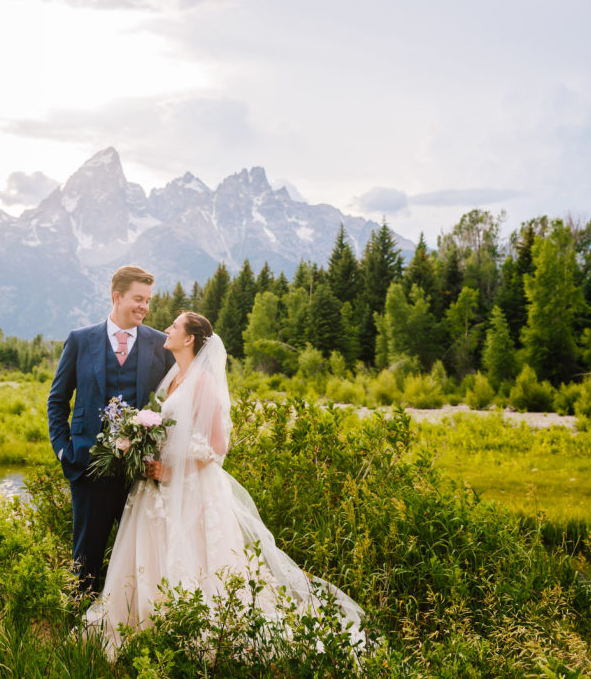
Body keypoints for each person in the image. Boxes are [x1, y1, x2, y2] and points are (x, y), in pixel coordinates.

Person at [84, 312, 367, 656]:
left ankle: (185, 630)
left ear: (189, 339)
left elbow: (217, 447)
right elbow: (166, 430)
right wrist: (140, 446)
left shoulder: (202, 381)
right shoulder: (173, 377)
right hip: (154, 485)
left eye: (175, 326)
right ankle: (141, 625)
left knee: (190, 559)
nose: (168, 329)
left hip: (186, 487)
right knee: (147, 555)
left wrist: (171, 470)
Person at [47, 265, 175, 596]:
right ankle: (77, 626)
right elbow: (58, 400)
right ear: (116, 296)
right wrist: (65, 451)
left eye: (148, 301)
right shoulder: (80, 340)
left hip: (140, 474)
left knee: (136, 559)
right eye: (138, 299)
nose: (144, 308)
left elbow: (175, 404)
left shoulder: (161, 344)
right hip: (88, 469)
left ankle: (127, 630)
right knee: (85, 560)